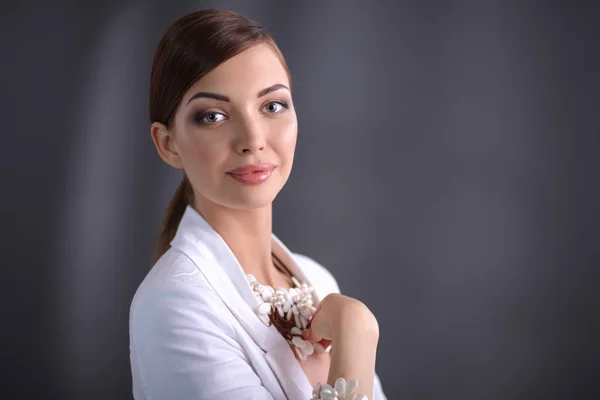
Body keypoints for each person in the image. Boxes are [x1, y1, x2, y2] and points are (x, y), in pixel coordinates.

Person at [129, 9, 386, 400]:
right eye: (213, 116)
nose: (252, 139)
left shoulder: (317, 281)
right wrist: (356, 334)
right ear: (168, 143)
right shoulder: (174, 307)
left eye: (272, 106)